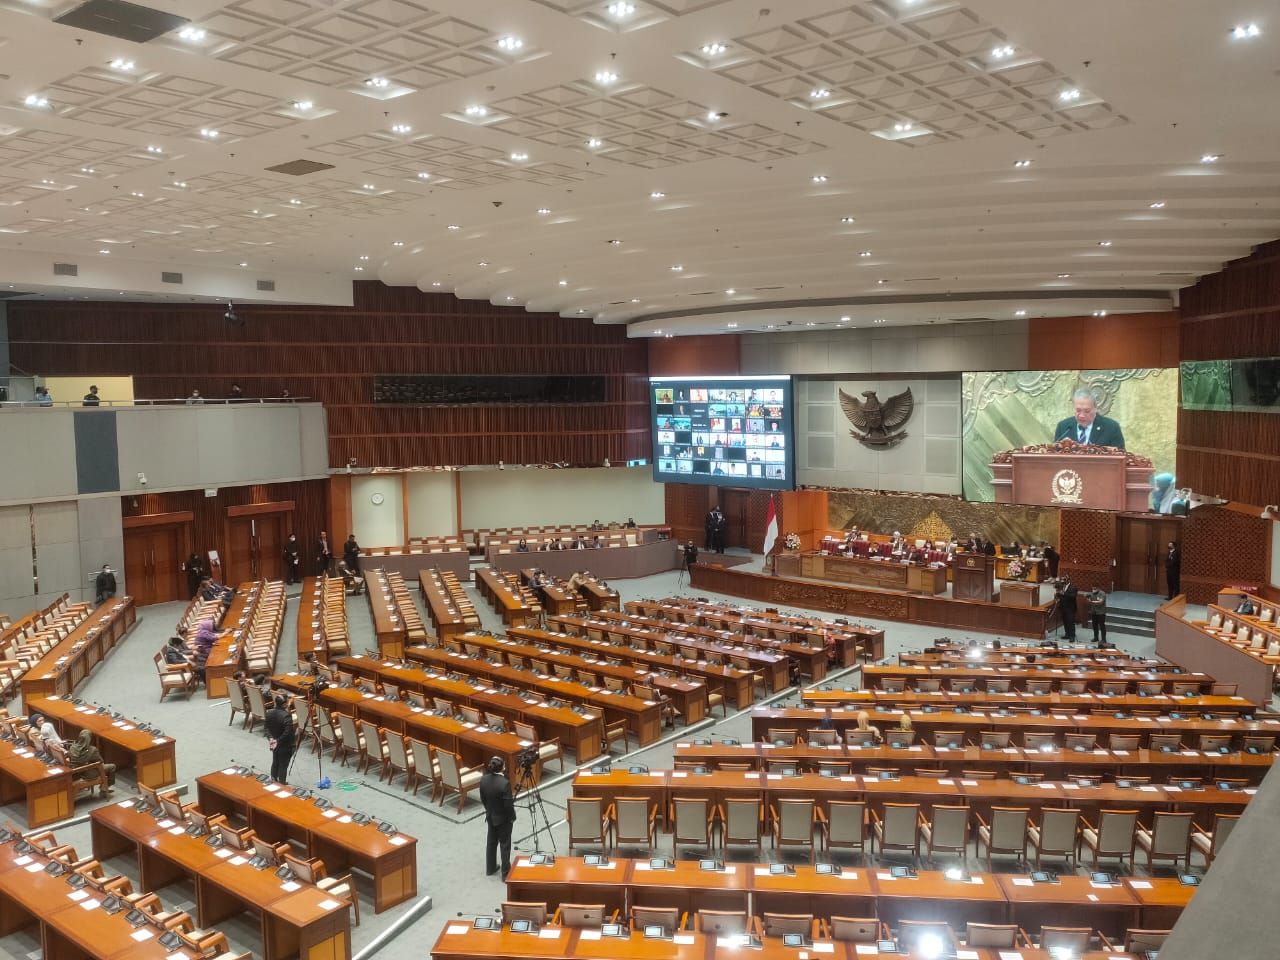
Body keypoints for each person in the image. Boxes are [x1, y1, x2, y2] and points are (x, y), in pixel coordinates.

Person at [479, 756, 517, 878]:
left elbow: (483, 799)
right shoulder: (504, 783)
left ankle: (490, 868)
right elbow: (508, 805)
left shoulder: (483, 779)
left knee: (491, 842)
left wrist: (489, 810)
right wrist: (512, 817)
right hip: (503, 820)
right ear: (502, 768)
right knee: (505, 845)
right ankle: (505, 873)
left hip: (490, 816)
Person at [1053, 388, 1125, 449]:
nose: (1082, 415)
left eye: (1087, 411)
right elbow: (1054, 455)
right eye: (1078, 410)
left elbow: (1120, 457)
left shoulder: (1111, 428)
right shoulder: (1063, 427)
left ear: (1095, 408)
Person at [263, 693, 296, 784]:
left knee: (275, 762)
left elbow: (266, 728)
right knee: (283, 765)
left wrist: (271, 739)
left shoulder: (269, 712)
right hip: (286, 745)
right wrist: (278, 740)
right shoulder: (286, 716)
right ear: (284, 704)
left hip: (274, 743)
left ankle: (273, 781)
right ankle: (282, 784)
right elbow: (287, 732)